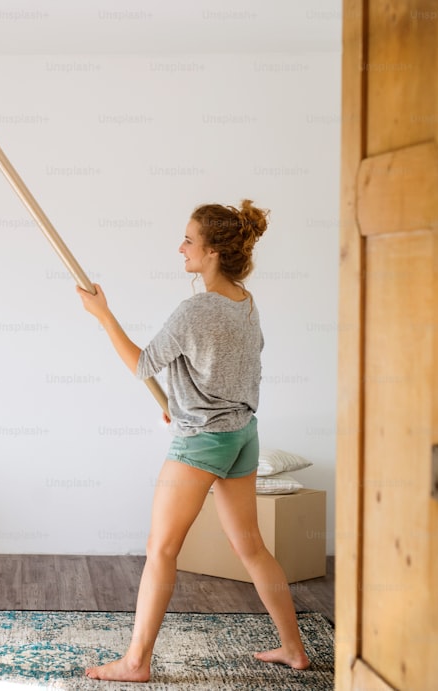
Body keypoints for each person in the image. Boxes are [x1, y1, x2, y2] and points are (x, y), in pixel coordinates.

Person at [77, 200, 310, 682]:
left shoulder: (195, 309)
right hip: (242, 435)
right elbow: (229, 369)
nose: (180, 247)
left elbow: (142, 364)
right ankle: (294, 650)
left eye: (188, 239)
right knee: (251, 547)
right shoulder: (244, 301)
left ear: (211, 253)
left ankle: (135, 663)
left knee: (160, 549)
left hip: (202, 442)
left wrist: (102, 314)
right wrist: (179, 400)